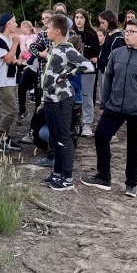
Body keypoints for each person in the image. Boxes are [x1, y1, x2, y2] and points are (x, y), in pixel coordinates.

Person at [82, 19, 137, 197]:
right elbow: (108, 79)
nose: (127, 34)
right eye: (126, 31)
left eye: (132, 32)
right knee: (101, 135)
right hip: (114, 106)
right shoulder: (116, 54)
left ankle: (131, 184)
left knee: (134, 147)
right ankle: (103, 177)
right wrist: (104, 103)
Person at [41, 14, 89, 191]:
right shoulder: (55, 48)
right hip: (50, 99)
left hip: (62, 99)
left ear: (57, 31)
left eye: (48, 28)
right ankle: (57, 173)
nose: (46, 31)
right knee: (54, 137)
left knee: (63, 138)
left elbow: (87, 66)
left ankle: (67, 178)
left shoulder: (67, 48)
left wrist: (66, 75)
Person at [0, 12, 21, 152]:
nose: (16, 24)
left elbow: (14, 58)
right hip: (3, 81)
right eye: (14, 22)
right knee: (11, 110)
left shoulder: (9, 40)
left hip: (12, 79)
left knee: (9, 110)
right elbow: (7, 59)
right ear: (8, 24)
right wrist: (15, 44)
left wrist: (17, 58)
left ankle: (4, 137)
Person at [72, 9, 101, 137]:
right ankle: (74, 122)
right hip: (73, 70)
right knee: (72, 95)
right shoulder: (70, 33)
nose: (79, 20)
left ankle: (87, 124)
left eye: (81, 17)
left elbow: (96, 52)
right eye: (77, 17)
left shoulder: (92, 34)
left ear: (85, 19)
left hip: (88, 70)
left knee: (86, 95)